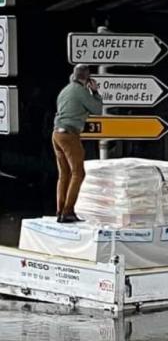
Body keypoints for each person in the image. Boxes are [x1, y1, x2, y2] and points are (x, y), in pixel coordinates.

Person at [52, 64, 103, 223]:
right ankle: (68, 211)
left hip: (56, 135)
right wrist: (94, 92)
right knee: (78, 173)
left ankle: (60, 210)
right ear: (87, 78)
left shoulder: (65, 90)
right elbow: (97, 109)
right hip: (69, 134)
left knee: (64, 173)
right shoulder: (81, 92)